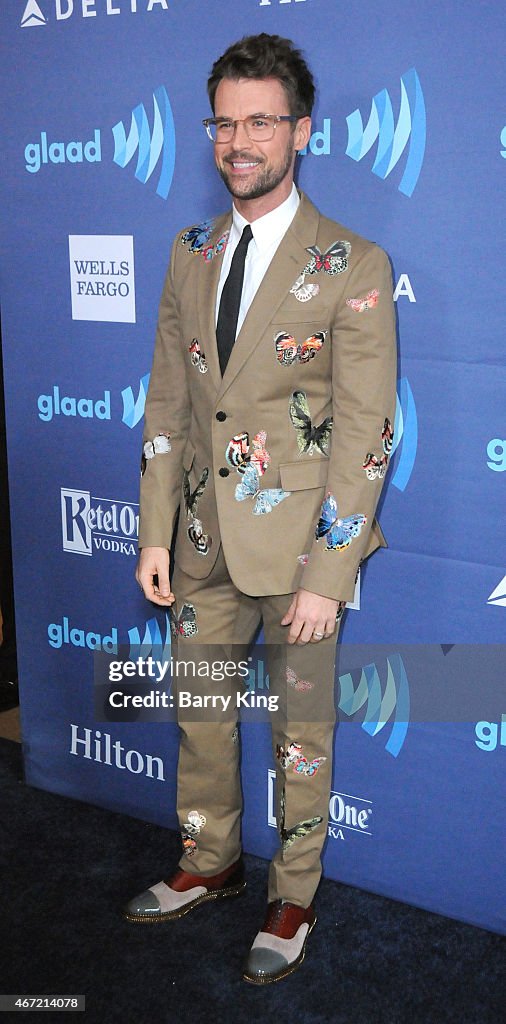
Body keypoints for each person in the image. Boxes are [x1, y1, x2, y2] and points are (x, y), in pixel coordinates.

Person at [124, 33, 396, 985]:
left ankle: (294, 896)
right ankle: (209, 863)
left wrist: (333, 570)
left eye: (261, 121)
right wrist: (154, 528)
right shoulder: (188, 251)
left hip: (300, 555)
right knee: (200, 717)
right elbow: (168, 401)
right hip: (198, 542)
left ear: (301, 131)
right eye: (224, 121)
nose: (239, 140)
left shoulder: (352, 262)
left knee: (301, 734)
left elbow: (368, 433)